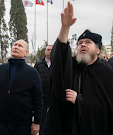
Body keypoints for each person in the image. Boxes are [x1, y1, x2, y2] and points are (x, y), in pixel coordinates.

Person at [45, 2, 113, 135]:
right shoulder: (72, 68)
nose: (83, 45)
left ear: (98, 50)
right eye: (80, 43)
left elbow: (108, 110)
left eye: (88, 42)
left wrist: (80, 101)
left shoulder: (107, 74)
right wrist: (65, 28)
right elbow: (61, 54)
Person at [0, 39, 43, 135]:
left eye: (20, 46)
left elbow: (38, 99)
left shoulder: (32, 73)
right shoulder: (1, 69)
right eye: (15, 45)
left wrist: (37, 122)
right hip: (3, 124)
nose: (16, 47)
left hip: (23, 125)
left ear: (26, 53)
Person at [34, 45, 53, 135]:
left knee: (52, 117)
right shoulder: (38, 64)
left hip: (53, 96)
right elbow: (33, 79)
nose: (49, 51)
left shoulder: (58, 64)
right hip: (42, 96)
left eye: (51, 50)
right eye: (48, 50)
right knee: (42, 117)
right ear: (45, 51)